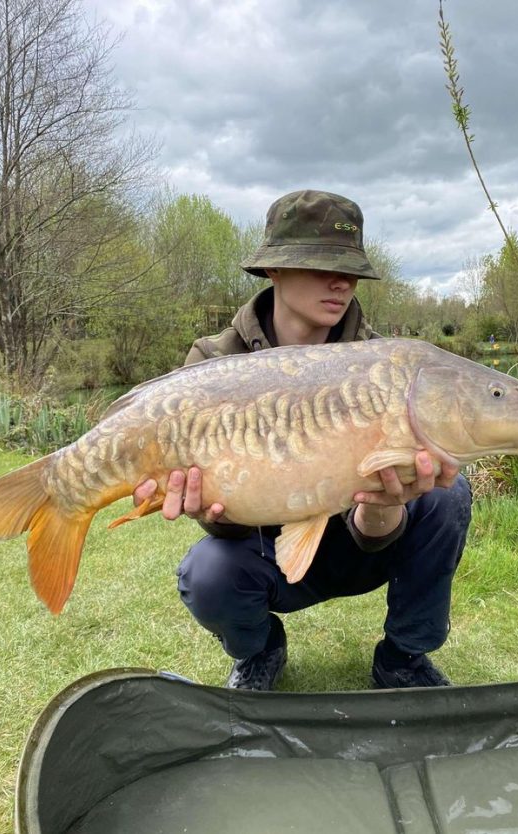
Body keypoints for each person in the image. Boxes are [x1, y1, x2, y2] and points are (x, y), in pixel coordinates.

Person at [134, 190, 472, 691]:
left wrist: (382, 506)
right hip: (266, 549)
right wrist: (206, 508)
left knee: (449, 494)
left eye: (350, 269)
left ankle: (403, 657)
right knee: (207, 571)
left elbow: (376, 528)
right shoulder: (212, 364)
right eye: (319, 266)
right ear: (273, 270)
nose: (340, 283)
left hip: (359, 539)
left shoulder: (382, 368)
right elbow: (224, 527)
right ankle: (260, 650)